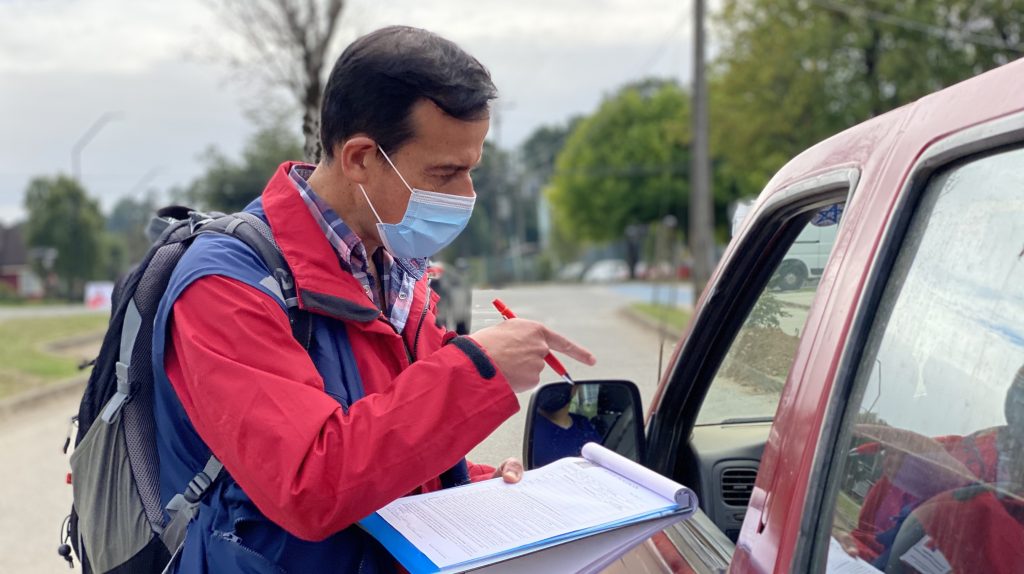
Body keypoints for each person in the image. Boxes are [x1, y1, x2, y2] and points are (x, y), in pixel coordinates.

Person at [151, 26, 595, 573]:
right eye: (445, 172)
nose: (466, 195)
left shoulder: (392, 265)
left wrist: (480, 486)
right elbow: (308, 485)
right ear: (361, 157)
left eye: (471, 169)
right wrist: (480, 368)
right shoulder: (227, 285)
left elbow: (393, 442)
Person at [532, 383, 603, 467]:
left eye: (561, 385)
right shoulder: (529, 429)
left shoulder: (584, 423)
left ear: (575, 388)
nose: (555, 391)